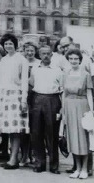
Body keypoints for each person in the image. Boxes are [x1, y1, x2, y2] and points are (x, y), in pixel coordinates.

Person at [0, 33, 29, 170]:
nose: (8, 46)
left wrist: (24, 100)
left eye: (10, 43)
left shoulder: (21, 60)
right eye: (6, 44)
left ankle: (14, 159)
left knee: (15, 130)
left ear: (15, 44)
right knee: (8, 129)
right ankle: (11, 158)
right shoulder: (3, 60)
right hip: (3, 95)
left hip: (16, 96)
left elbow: (24, 81)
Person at [29, 45, 63, 174]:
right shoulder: (35, 69)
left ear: (52, 55)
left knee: (52, 133)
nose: (46, 56)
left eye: (48, 53)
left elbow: (61, 89)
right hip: (37, 99)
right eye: (43, 54)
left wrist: (61, 107)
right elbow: (31, 85)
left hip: (52, 100)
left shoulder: (57, 70)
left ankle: (54, 165)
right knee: (36, 132)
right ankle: (39, 163)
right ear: (39, 54)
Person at [62, 49, 94, 179]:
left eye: (76, 59)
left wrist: (91, 111)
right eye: (71, 59)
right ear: (68, 60)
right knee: (72, 137)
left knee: (83, 138)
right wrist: (63, 110)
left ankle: (85, 168)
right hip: (69, 106)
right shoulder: (66, 73)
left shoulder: (85, 74)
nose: (73, 61)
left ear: (80, 60)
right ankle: (77, 168)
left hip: (82, 106)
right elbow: (64, 93)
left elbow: (89, 93)